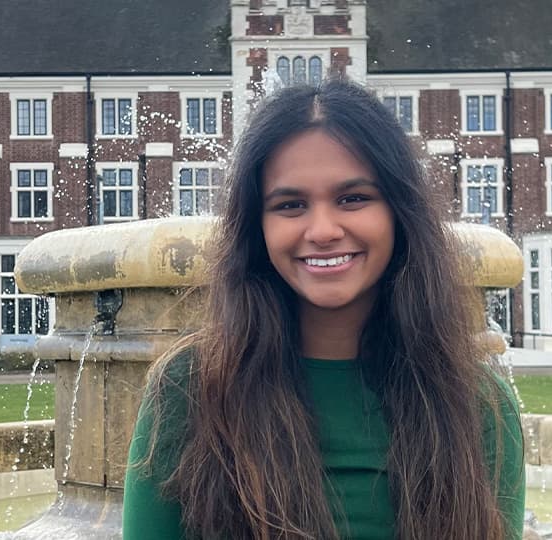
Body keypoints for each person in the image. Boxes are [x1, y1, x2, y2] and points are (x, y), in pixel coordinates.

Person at [123, 78, 525, 539]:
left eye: (352, 198)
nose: (322, 230)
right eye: (290, 204)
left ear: (398, 211)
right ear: (258, 228)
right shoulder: (188, 386)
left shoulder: (477, 401)